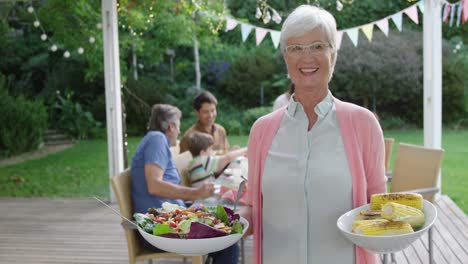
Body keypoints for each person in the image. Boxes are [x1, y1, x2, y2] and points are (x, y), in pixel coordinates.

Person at [240, 5, 387, 264]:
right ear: (285, 58)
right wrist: (215, 227)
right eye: (295, 48)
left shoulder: (363, 124)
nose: (306, 57)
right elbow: (252, 210)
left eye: (318, 46)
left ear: (334, 55)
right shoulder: (261, 131)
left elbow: (378, 208)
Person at [130, 104, 239, 263]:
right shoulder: (157, 139)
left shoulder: (155, 140)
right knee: (228, 243)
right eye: (178, 127)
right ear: (171, 127)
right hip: (161, 229)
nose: (180, 132)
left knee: (224, 226)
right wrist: (195, 193)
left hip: (172, 220)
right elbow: (154, 185)